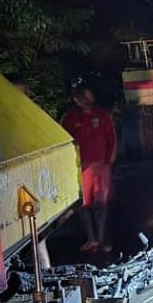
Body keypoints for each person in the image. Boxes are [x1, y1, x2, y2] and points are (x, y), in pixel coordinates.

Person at [60, 83, 116, 252]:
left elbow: (111, 139)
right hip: (81, 167)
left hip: (100, 165)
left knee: (101, 204)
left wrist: (108, 162)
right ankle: (92, 239)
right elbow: (65, 141)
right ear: (77, 100)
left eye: (90, 95)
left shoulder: (102, 115)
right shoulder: (70, 118)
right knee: (84, 205)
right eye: (86, 96)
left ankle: (101, 239)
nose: (90, 99)